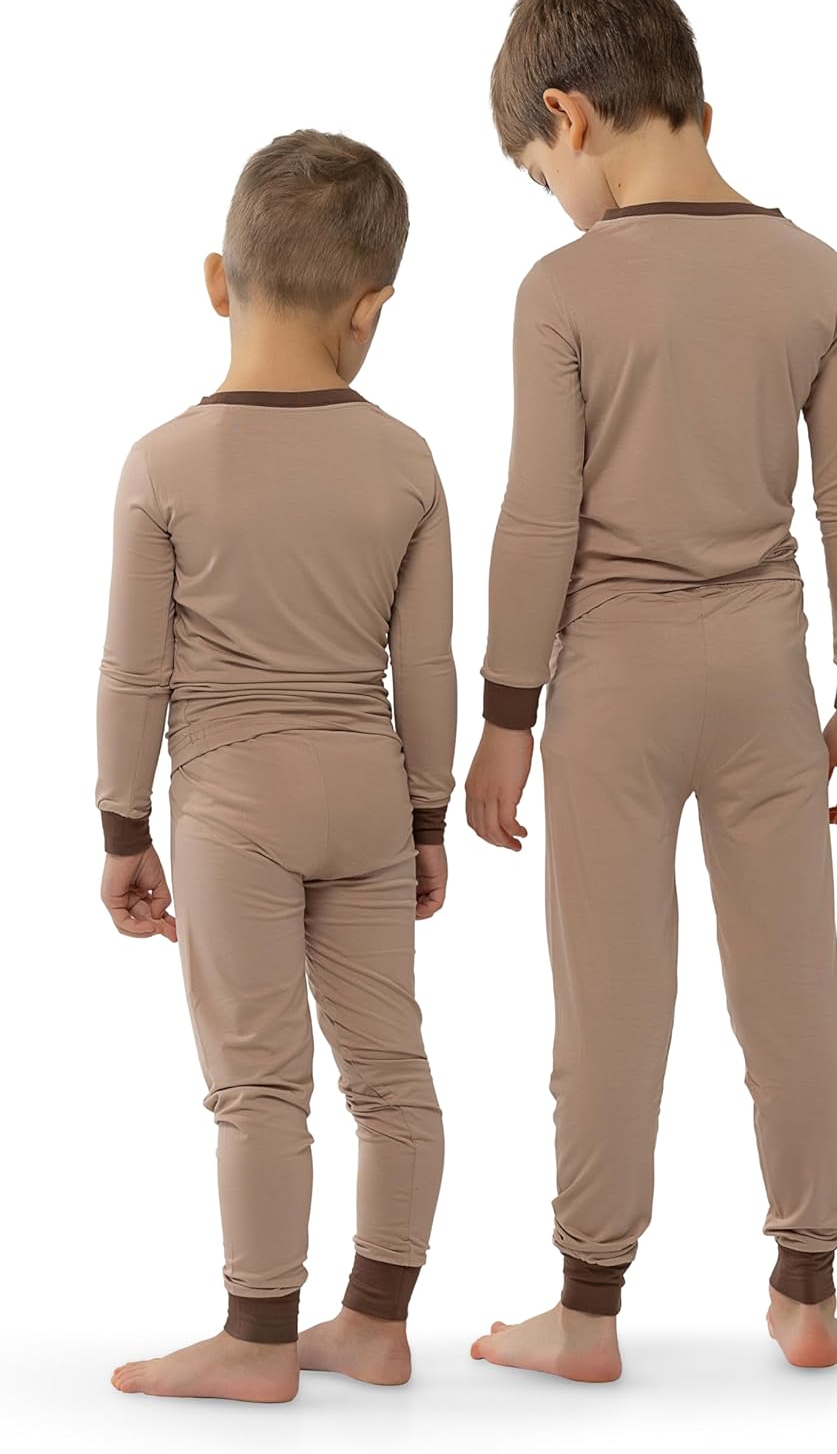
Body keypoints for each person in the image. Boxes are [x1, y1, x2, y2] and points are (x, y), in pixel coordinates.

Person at [466, 0, 837, 1382]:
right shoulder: (813, 272)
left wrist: (505, 717)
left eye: (538, 173)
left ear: (567, 117)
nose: (551, 200)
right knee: (792, 987)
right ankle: (807, 1291)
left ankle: (586, 1312)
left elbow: (538, 518)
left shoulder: (562, 289)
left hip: (612, 685)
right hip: (766, 673)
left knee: (608, 1001)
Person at [96, 129, 456, 1402]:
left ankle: (257, 1340)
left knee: (257, 1082)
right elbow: (425, 667)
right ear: (371, 309)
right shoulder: (406, 460)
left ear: (218, 280)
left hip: (232, 803)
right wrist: (426, 817)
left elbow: (133, 673)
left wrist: (122, 830)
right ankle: (376, 1324)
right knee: (389, 1072)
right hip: (365, 791)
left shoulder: (164, 462)